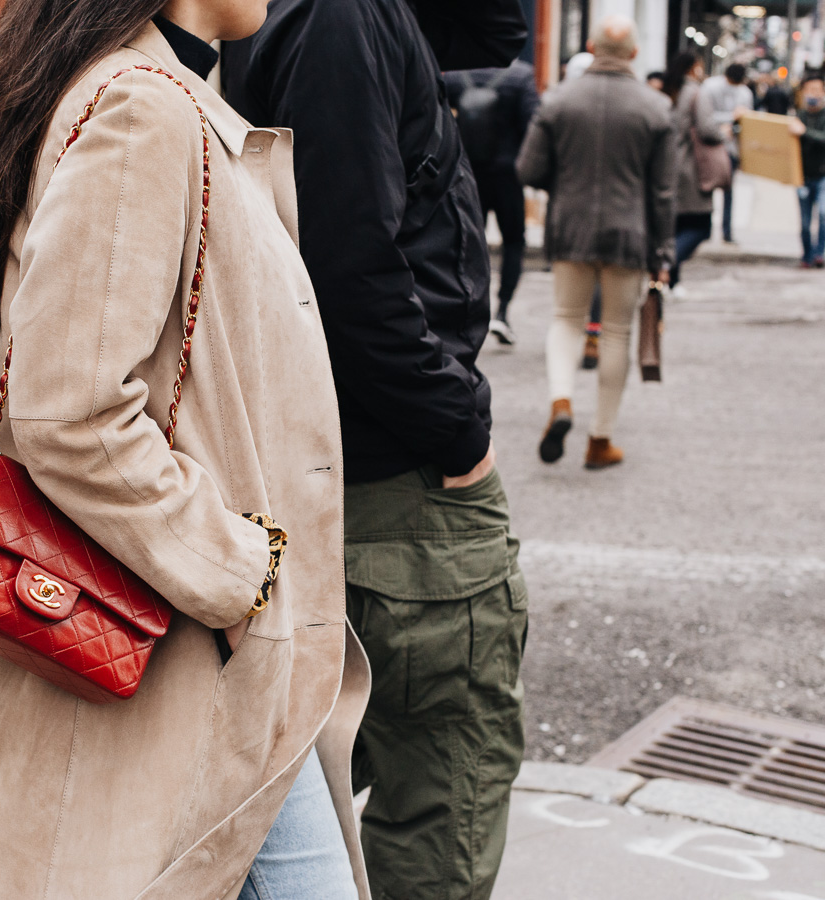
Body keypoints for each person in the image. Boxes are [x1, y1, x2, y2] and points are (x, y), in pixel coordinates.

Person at [0, 1, 372, 898]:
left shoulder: (141, 91)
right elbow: (69, 411)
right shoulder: (144, 107)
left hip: (194, 646)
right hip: (183, 647)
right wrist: (240, 569)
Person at [222, 2, 530, 897]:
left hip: (327, 461)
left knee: (298, 813)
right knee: (441, 796)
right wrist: (456, 429)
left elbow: (490, 36)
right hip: (393, 480)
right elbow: (348, 262)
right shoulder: (339, 15)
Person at [517, 16, 675, 469]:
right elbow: (663, 194)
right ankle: (600, 439)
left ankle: (561, 401)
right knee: (616, 332)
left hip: (570, 226)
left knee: (566, 320)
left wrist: (564, 183)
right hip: (630, 233)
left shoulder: (559, 100)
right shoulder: (655, 107)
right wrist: (663, 252)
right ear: (635, 55)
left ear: (589, 46)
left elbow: (528, 171)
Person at [444, 59, 540, 345]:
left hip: (468, 173)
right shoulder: (521, 77)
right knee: (513, 242)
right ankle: (502, 311)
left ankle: (470, 310)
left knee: (469, 244)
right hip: (508, 176)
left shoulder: (458, 75)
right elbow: (532, 126)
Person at [664, 51, 720, 299]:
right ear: (692, 68)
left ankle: (671, 282)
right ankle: (665, 266)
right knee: (700, 226)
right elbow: (708, 129)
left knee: (674, 227)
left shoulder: (667, 91)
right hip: (689, 169)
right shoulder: (696, 93)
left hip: (665, 167)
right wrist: (725, 134)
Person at [701, 62, 754, 242]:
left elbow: (747, 120)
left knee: (729, 191)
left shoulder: (745, 93)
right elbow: (704, 116)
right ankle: (705, 228)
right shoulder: (710, 87)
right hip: (709, 146)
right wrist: (731, 117)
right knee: (707, 188)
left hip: (730, 148)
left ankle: (726, 230)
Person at [791, 72, 825, 267]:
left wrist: (805, 132)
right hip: (802, 176)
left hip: (822, 176)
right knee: (804, 222)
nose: (813, 93)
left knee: (823, 214)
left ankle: (819, 253)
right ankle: (807, 255)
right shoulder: (799, 115)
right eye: (810, 89)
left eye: (817, 89)